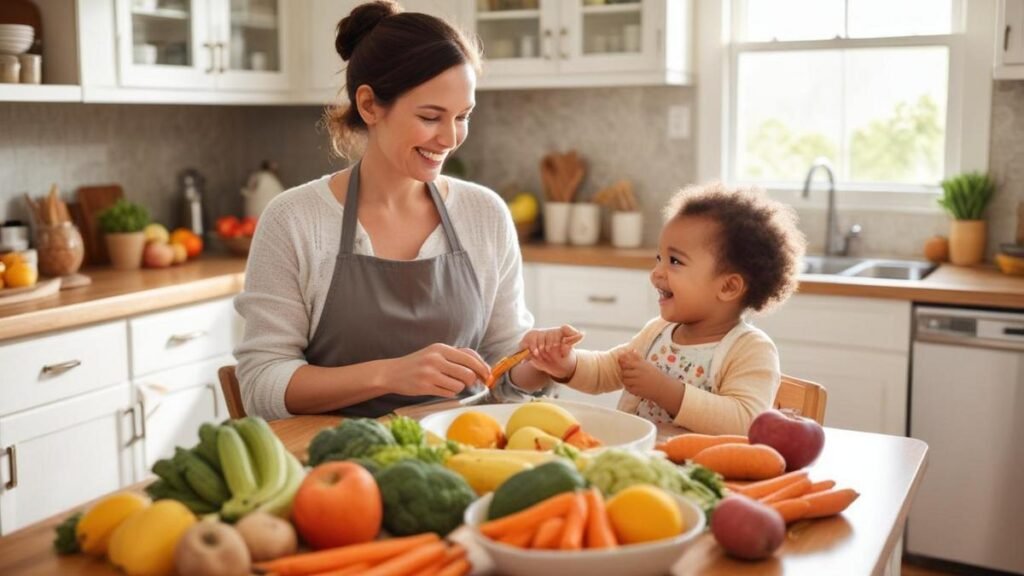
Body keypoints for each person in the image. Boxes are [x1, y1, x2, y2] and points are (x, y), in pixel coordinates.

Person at [234, 0, 550, 420]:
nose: (451, 138)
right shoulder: (294, 220)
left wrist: (541, 364)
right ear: (369, 106)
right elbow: (261, 385)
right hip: (334, 464)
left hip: (459, 451)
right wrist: (389, 375)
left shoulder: (484, 214)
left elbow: (503, 368)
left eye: (463, 116)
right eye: (430, 116)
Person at [518, 183, 806, 435]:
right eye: (659, 258)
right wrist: (566, 364)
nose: (656, 273)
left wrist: (665, 391)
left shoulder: (750, 350)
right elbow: (606, 370)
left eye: (675, 261)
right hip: (644, 466)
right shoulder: (658, 333)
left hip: (707, 478)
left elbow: (745, 422)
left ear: (728, 287)